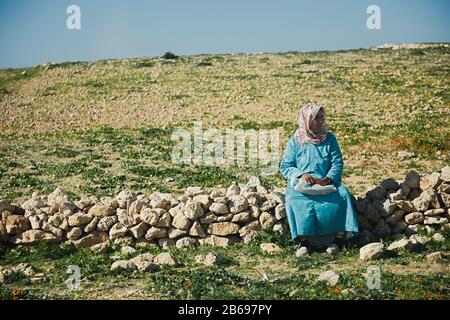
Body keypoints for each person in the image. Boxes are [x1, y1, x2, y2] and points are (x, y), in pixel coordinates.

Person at [279, 103, 359, 254]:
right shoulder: (296, 141)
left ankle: (337, 240)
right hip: (303, 185)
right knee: (293, 198)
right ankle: (304, 242)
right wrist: (302, 175)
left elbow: (337, 162)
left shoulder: (330, 139)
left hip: (326, 183)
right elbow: (285, 166)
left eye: (322, 117)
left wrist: (328, 178)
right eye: (316, 118)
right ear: (306, 120)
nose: (320, 121)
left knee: (343, 195)